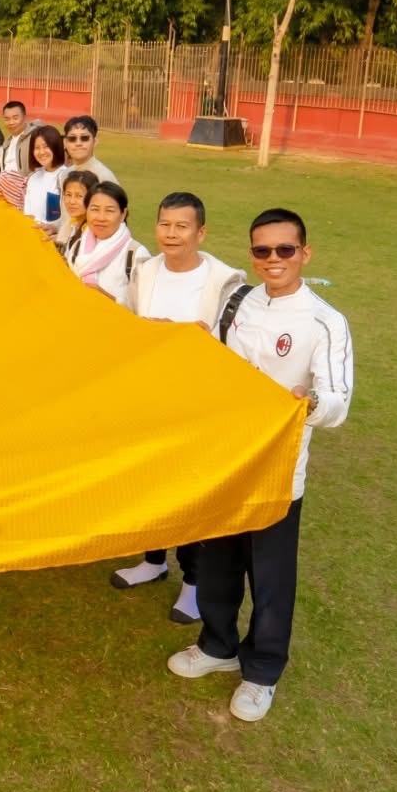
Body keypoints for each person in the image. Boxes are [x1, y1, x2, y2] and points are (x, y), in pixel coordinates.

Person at [169, 208, 353, 723]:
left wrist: (308, 400)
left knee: (270, 577)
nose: (273, 260)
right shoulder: (239, 301)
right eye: (262, 251)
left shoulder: (326, 321)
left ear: (304, 253)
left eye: (284, 250)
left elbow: (338, 401)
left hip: (276, 471)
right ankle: (217, 645)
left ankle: (263, 671)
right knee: (219, 562)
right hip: (227, 461)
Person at [112, 192, 249, 621]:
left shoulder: (226, 283)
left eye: (182, 226)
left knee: (189, 492)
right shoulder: (145, 270)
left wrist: (189, 337)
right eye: (165, 224)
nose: (171, 234)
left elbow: (233, 347)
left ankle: (193, 582)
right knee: (150, 482)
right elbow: (128, 322)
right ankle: (153, 562)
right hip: (149, 398)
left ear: (201, 232)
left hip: (197, 405)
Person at [64, 181, 146, 305]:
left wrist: (106, 298)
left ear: (123, 214)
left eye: (109, 211)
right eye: (95, 209)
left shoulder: (135, 253)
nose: (101, 217)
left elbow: (143, 308)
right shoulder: (77, 246)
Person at [20, 127, 68, 229]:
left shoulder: (66, 176)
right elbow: (28, 214)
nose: (41, 152)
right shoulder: (33, 178)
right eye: (37, 148)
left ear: (56, 147)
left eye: (46, 146)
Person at [53, 169, 100, 249]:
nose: (72, 201)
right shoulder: (72, 223)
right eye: (68, 194)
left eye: (79, 196)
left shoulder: (96, 231)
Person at [63, 115, 115, 184]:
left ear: (95, 142)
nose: (78, 143)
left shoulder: (104, 177)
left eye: (84, 138)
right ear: (65, 143)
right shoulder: (64, 175)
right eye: (72, 138)